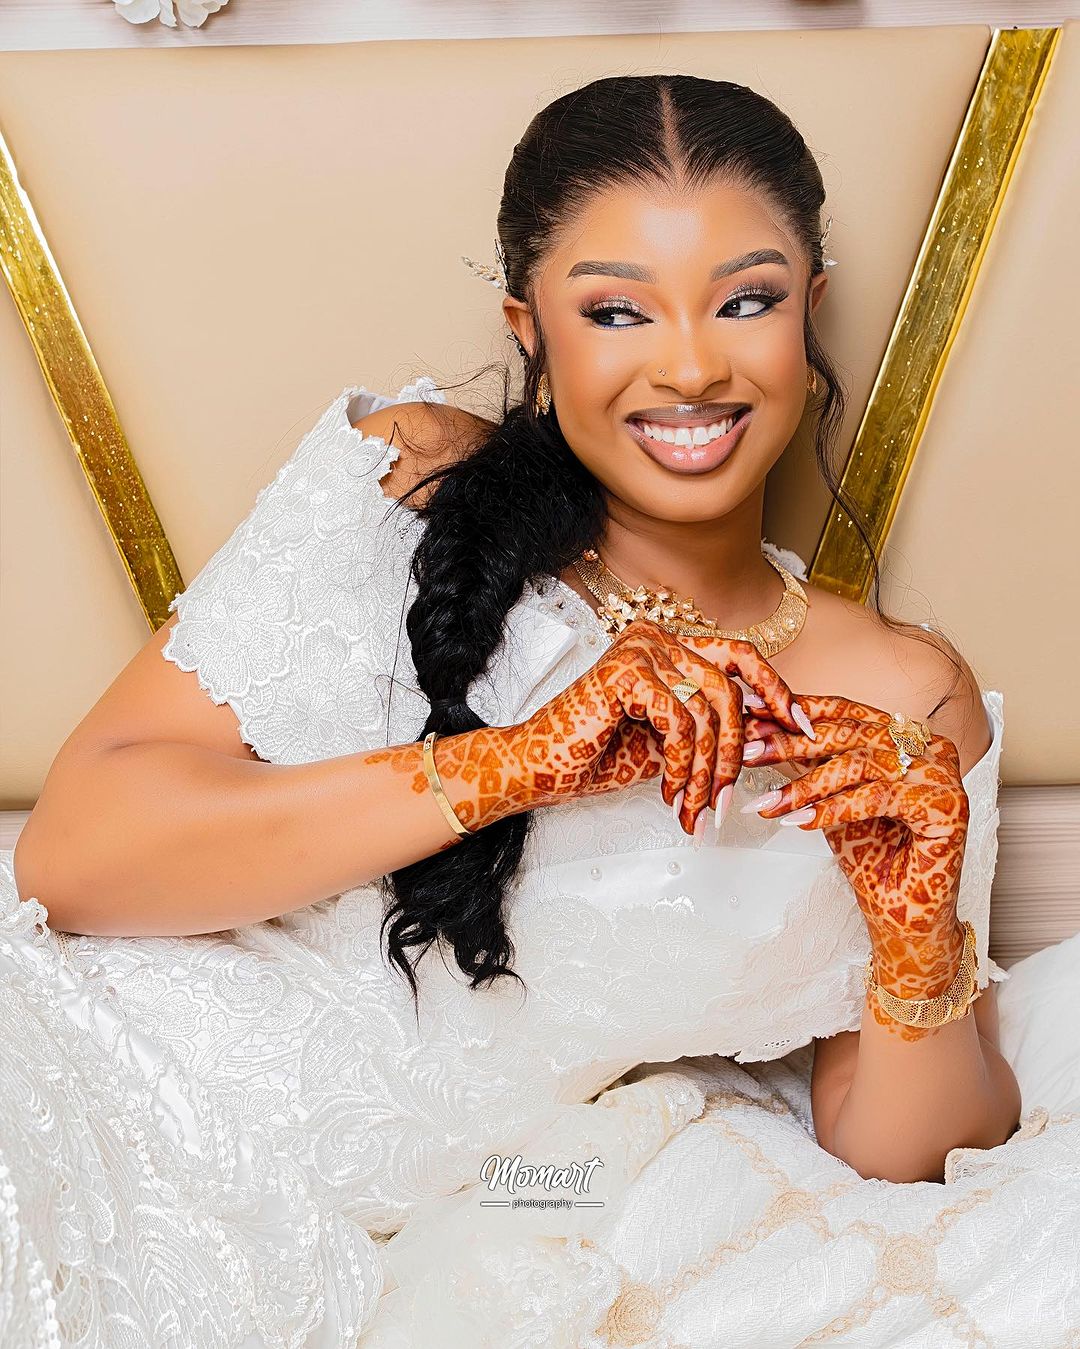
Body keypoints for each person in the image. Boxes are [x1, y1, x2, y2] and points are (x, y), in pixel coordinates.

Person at [3, 73, 1070, 1349]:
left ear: (811, 311)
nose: (692, 365)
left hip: (345, 1244)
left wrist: (915, 939)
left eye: (747, 299)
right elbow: (71, 858)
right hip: (80, 1087)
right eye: (616, 309)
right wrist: (519, 761)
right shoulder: (412, 481)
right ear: (531, 330)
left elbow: (902, 1155)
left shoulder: (902, 698)